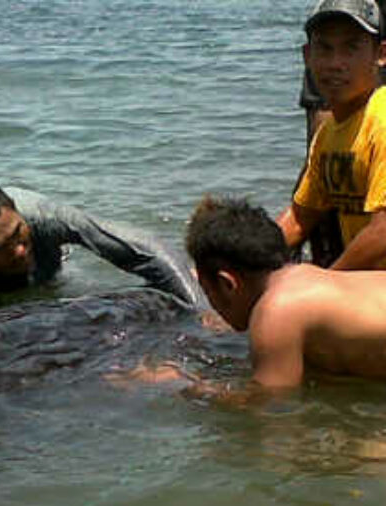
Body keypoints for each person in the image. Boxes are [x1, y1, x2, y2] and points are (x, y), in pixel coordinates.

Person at [118, 195, 386, 391]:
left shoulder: (277, 310)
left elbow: (268, 409)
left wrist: (182, 383)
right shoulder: (306, 279)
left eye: (206, 290)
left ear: (227, 283)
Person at [0, 178, 203, 306]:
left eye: (18, 233)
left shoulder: (47, 219)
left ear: (16, 210)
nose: (18, 250)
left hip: (49, 262)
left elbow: (147, 250)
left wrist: (202, 309)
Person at [278, 0, 386, 269]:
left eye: (351, 48)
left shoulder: (382, 120)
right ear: (306, 56)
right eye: (324, 49)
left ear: (380, 55)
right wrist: (237, 261)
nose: (335, 64)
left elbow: (383, 231)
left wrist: (328, 280)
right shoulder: (328, 134)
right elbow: (300, 218)